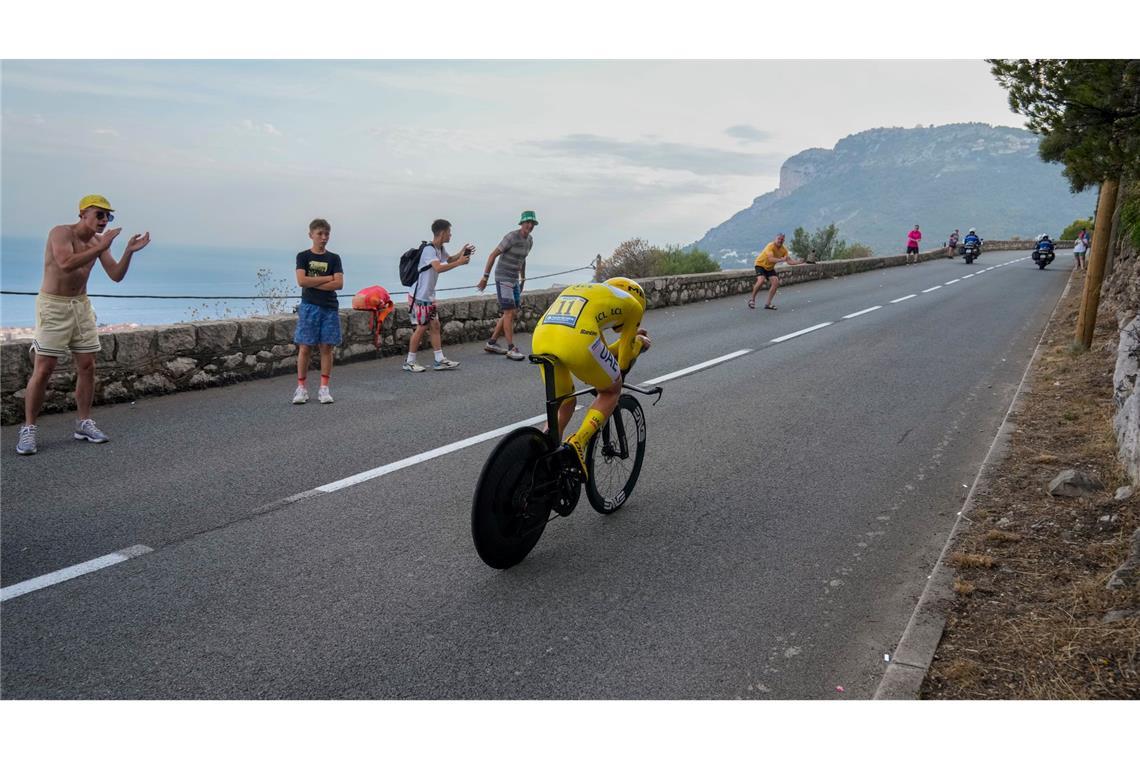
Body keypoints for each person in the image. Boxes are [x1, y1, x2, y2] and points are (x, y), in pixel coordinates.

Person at [16, 194, 151, 455]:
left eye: (108, 216)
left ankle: (83, 423)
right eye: (99, 214)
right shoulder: (60, 233)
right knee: (44, 368)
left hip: (81, 305)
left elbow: (115, 275)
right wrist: (103, 246)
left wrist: (127, 252)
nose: (104, 220)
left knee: (87, 366)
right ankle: (29, 428)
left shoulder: (99, 242)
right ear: (82, 214)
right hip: (53, 305)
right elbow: (66, 264)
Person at [532, 277, 652, 474]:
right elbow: (622, 362)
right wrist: (638, 342)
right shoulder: (633, 306)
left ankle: (543, 451)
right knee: (611, 390)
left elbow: (602, 350)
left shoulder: (591, 292)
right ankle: (578, 442)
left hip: (542, 336)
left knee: (565, 402)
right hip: (577, 341)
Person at [403, 219, 474, 372]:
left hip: (428, 296)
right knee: (422, 327)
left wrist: (462, 254)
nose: (451, 235)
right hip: (420, 297)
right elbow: (438, 268)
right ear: (442, 233)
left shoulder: (439, 248)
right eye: (449, 232)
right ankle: (409, 361)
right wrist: (460, 263)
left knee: (435, 326)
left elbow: (449, 259)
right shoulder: (429, 249)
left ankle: (439, 359)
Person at [292, 218, 344, 404]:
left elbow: (339, 284)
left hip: (329, 307)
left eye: (326, 234)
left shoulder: (334, 258)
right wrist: (327, 278)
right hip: (309, 307)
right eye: (320, 234)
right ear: (311, 235)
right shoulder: (303, 256)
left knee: (326, 347)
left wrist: (315, 283)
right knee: (305, 346)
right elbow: (302, 281)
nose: (323, 238)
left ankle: (324, 388)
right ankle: (301, 388)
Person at [479, 210, 537, 361]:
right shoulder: (511, 237)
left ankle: (492, 342)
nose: (529, 226)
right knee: (509, 312)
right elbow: (492, 255)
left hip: (514, 279)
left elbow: (522, 259)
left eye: (532, 223)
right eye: (527, 222)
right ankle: (511, 348)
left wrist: (522, 277)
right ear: (521, 223)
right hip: (503, 276)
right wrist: (485, 277)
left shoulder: (529, 241)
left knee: (511, 312)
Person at [747, 233, 808, 311]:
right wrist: (781, 260)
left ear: (784, 240)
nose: (780, 241)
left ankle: (768, 304)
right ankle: (752, 300)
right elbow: (771, 259)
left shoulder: (784, 250)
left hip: (770, 268)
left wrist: (799, 262)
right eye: (779, 239)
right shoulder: (770, 246)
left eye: (782, 239)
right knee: (761, 280)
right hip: (760, 264)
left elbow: (789, 261)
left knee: (776, 282)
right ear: (775, 239)